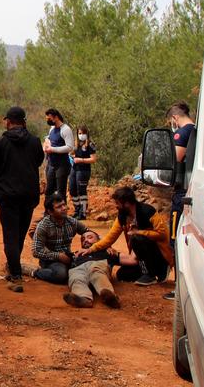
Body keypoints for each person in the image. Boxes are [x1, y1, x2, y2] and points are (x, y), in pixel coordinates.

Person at [0, 106, 44, 292]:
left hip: (7, 196)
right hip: (29, 195)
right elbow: (38, 161)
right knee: (19, 234)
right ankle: (13, 269)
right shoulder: (35, 142)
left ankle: (16, 276)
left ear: (8, 122)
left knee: (10, 235)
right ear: (24, 122)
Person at [77, 187, 173, 286]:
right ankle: (150, 271)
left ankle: (155, 271)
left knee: (136, 237)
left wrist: (140, 232)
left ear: (126, 203)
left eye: (117, 203)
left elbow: (163, 234)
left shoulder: (148, 211)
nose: (116, 206)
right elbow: (110, 238)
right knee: (122, 275)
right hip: (141, 257)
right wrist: (91, 249)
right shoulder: (122, 217)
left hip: (159, 254)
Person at [164, 101, 195, 300]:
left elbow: (175, 159)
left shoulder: (182, 133)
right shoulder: (197, 130)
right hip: (192, 191)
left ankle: (178, 287)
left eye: (170, 122)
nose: (171, 125)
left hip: (181, 193)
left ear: (175, 118)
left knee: (175, 238)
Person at [27, 193, 87, 285]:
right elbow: (36, 251)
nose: (64, 208)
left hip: (68, 257)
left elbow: (88, 232)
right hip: (50, 261)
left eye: (64, 205)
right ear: (50, 212)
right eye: (59, 207)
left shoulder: (71, 221)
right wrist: (58, 256)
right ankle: (34, 271)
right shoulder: (43, 226)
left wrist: (102, 245)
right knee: (61, 275)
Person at [64, 230, 130, 309]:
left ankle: (110, 297)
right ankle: (83, 299)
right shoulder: (76, 254)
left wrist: (107, 245)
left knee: (96, 271)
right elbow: (61, 257)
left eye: (90, 237)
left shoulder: (107, 251)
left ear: (99, 240)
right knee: (76, 277)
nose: (85, 240)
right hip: (78, 269)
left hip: (97, 266)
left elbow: (131, 259)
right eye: (83, 239)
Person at [42, 108, 74, 215]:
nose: (48, 120)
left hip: (62, 164)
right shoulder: (52, 128)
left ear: (56, 117)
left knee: (61, 191)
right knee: (49, 190)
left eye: (49, 118)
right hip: (51, 164)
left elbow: (70, 147)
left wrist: (53, 149)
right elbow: (48, 138)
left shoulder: (65, 129)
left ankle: (62, 215)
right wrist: (46, 143)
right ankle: (48, 213)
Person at [69, 125, 98, 220]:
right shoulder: (77, 144)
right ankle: (77, 210)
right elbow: (73, 153)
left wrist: (81, 160)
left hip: (84, 170)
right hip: (74, 169)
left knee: (81, 190)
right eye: (80, 133)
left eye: (83, 133)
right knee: (72, 189)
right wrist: (72, 155)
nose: (81, 135)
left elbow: (93, 159)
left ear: (87, 133)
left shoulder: (90, 144)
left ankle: (83, 213)